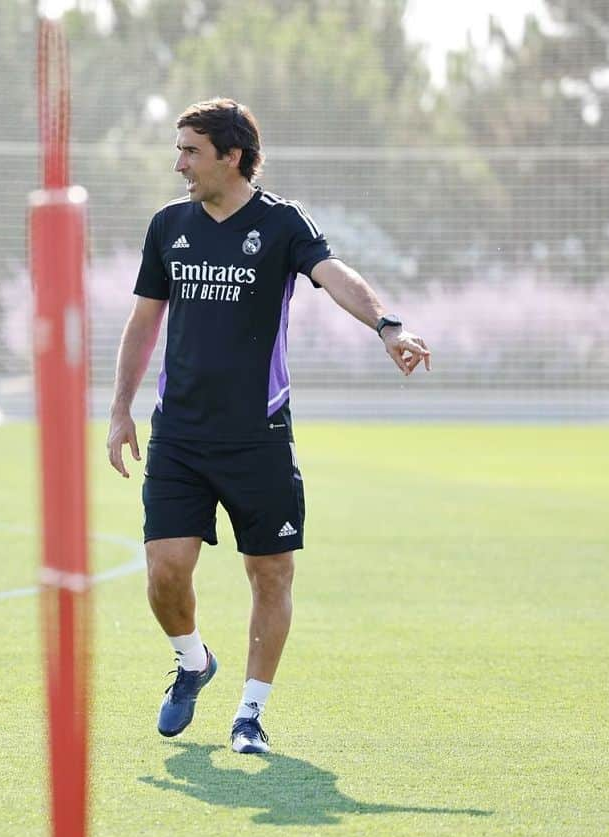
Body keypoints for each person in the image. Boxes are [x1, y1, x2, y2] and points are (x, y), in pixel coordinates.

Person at [106, 97, 430, 755]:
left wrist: (387, 325)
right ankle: (194, 661)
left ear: (231, 155)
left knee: (271, 573)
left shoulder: (281, 224)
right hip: (180, 436)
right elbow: (144, 323)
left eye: (191, 151)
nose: (179, 164)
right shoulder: (168, 226)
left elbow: (334, 275)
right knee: (165, 573)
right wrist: (119, 410)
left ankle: (250, 714)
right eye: (179, 150)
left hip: (258, 434)